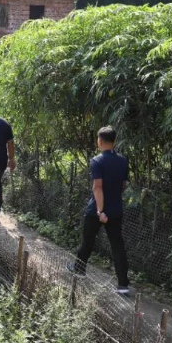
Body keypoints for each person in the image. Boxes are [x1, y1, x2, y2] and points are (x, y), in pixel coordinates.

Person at [68, 126, 130, 294]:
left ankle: (79, 269)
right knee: (117, 245)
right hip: (116, 209)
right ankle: (123, 285)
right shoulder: (123, 160)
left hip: (97, 209)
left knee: (87, 241)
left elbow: (97, 187)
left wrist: (100, 211)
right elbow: (122, 184)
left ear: (100, 140)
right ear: (114, 141)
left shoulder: (97, 161)